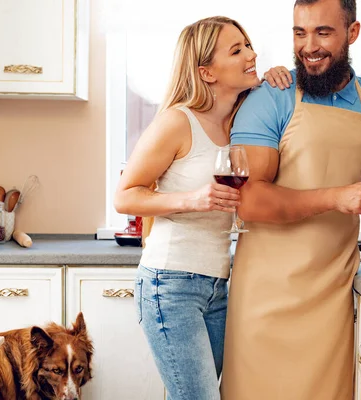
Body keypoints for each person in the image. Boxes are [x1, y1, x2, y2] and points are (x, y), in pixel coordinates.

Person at [220, 0, 361, 398]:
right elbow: (248, 200)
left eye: (323, 32)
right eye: (299, 33)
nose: (308, 46)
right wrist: (337, 197)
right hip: (265, 299)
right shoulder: (272, 96)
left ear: (352, 33)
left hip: (332, 299)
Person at [114, 16, 259, 400]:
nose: (251, 54)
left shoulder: (243, 121)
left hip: (218, 284)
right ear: (206, 72)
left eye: (248, 45)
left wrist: (278, 77)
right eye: (237, 49)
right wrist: (194, 200)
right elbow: (125, 196)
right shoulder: (177, 121)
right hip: (170, 284)